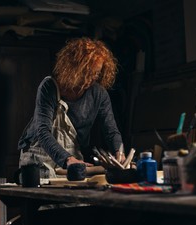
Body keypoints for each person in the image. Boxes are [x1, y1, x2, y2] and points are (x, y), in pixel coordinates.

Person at [18, 37, 126, 179]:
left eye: (95, 74)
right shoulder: (49, 87)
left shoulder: (99, 94)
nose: (89, 79)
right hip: (39, 158)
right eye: (86, 73)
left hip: (73, 160)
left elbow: (111, 131)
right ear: (73, 68)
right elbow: (42, 131)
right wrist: (66, 159)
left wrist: (119, 151)